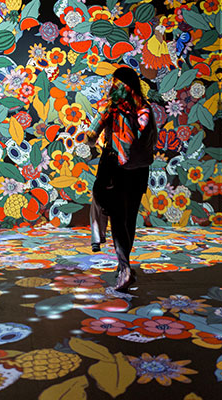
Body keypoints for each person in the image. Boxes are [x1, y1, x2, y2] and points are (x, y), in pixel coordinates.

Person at [87, 66, 156, 292]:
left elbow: (90, 136)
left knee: (117, 216)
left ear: (120, 85)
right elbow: (149, 138)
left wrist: (94, 139)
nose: (112, 86)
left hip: (115, 167)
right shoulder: (145, 108)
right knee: (129, 218)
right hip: (139, 169)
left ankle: (124, 267)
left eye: (115, 82)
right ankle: (123, 265)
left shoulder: (111, 107)